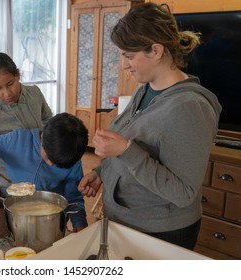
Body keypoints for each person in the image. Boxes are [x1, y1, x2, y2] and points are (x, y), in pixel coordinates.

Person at [78, 3, 222, 250]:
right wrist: (102, 173)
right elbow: (134, 147)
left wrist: (125, 150)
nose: (123, 65)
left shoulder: (188, 107)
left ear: (156, 50)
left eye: (129, 56)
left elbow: (183, 193)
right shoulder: (144, 91)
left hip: (160, 233)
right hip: (128, 222)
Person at [0, 112, 88, 232]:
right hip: (17, 218)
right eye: (48, 157)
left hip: (52, 221)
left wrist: (79, 222)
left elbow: (74, 197)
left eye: (58, 164)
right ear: (42, 137)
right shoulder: (18, 140)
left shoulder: (71, 158)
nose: (50, 164)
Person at [0, 52, 53, 204]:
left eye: (10, 84)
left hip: (44, 180)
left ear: (18, 75)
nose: (7, 93)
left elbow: (48, 120)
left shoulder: (34, 93)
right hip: (10, 186)